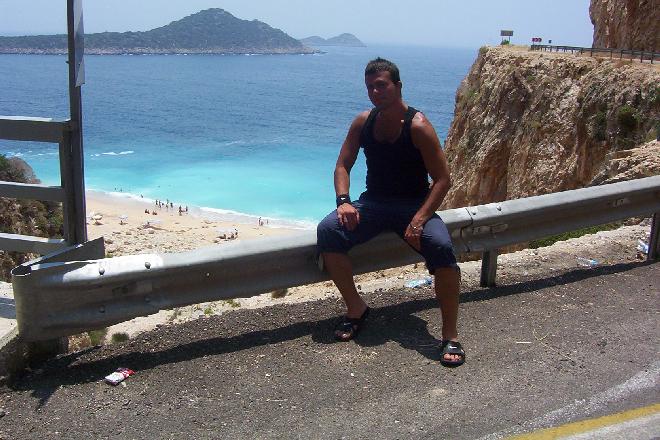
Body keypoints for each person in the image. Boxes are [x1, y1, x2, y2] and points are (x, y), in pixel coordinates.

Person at [316, 58, 464, 367]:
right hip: (374, 203)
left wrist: (420, 219)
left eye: (381, 85)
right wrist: (343, 200)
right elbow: (342, 165)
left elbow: (443, 179)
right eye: (370, 87)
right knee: (328, 230)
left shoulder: (418, 126)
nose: (375, 92)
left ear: (398, 86)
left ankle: (449, 335)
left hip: (413, 205)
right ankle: (356, 308)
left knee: (442, 248)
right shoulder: (363, 122)